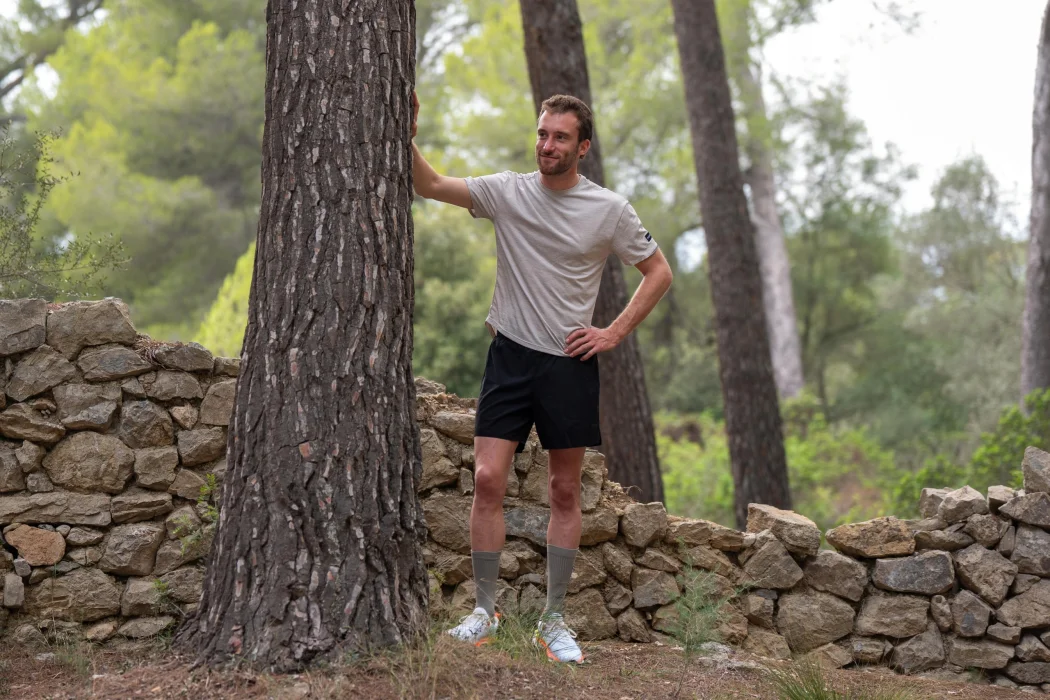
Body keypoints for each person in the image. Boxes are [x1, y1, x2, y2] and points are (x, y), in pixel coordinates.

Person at [411, 92, 673, 663]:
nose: (547, 145)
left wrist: (612, 333)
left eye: (560, 137)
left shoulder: (609, 209)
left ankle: (553, 620)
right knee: (487, 478)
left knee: (563, 490)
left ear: (583, 147)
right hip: (509, 356)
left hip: (568, 364)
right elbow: (428, 185)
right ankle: (484, 612)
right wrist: (405, 131)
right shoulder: (508, 192)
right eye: (542, 134)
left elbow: (658, 272)